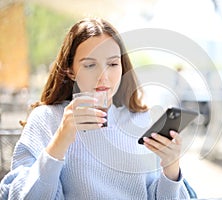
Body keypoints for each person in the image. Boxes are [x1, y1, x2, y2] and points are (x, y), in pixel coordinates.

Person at [0, 18, 192, 199]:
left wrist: (171, 168)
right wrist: (60, 139)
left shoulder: (142, 120)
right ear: (70, 71)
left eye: (113, 64)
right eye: (90, 65)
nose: (104, 76)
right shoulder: (46, 118)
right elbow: (24, 196)